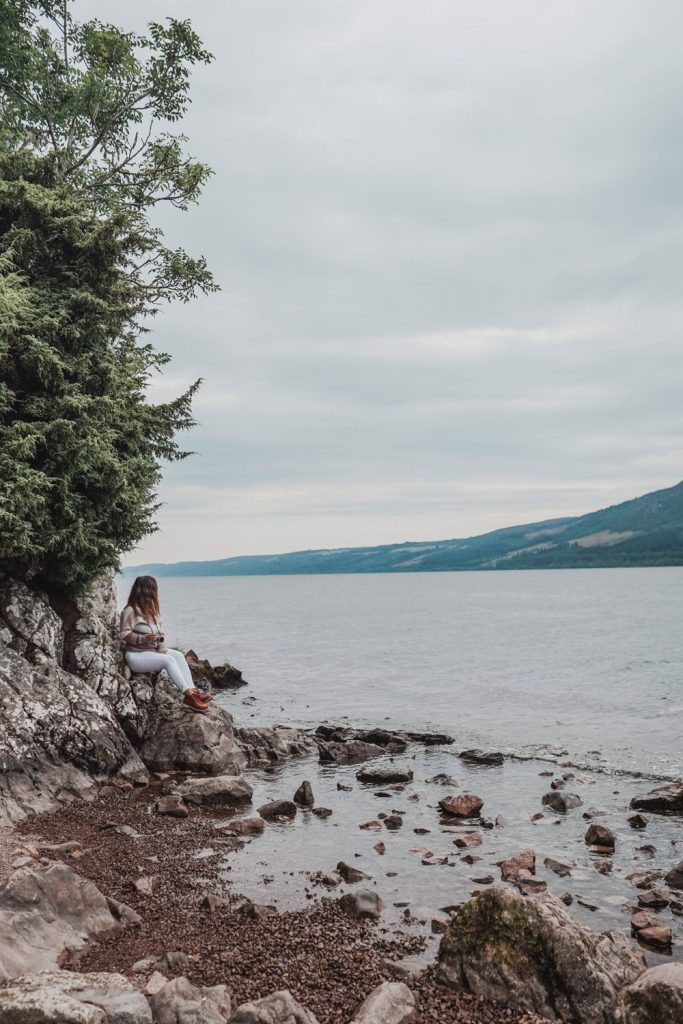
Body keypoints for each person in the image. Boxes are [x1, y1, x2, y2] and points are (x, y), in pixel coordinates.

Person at [120, 575, 212, 713]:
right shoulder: (130, 611)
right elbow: (124, 635)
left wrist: (161, 648)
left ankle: (194, 691)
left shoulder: (153, 611)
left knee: (179, 655)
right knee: (168, 660)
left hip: (152, 652)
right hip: (136, 655)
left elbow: (160, 633)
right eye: (151, 589)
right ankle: (189, 696)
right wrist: (144, 639)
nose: (153, 593)